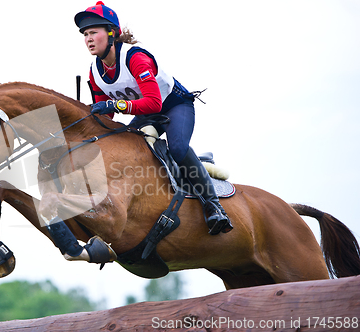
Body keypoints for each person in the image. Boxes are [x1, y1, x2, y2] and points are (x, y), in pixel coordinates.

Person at [46, 2, 233, 266]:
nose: (88, 39)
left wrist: (114, 104)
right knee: (127, 147)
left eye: (93, 32)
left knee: (178, 148)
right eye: (85, 34)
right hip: (146, 113)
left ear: (111, 33)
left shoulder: (134, 57)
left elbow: (154, 103)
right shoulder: (95, 72)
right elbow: (105, 119)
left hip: (174, 105)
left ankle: (213, 205)